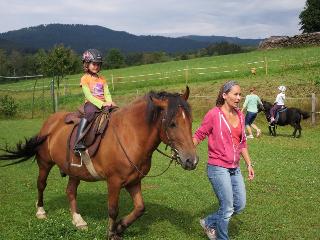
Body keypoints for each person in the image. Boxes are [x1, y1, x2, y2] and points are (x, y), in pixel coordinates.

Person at [193, 80, 255, 240]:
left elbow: (242, 143)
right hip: (217, 167)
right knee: (227, 208)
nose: (239, 97)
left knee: (239, 205)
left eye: (240, 94)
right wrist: (185, 148)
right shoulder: (214, 114)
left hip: (235, 168)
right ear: (224, 95)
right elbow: (199, 134)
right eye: (236, 94)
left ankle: (208, 222)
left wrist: (248, 164)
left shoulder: (240, 115)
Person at [74, 49, 116, 152]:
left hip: (104, 103)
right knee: (90, 113)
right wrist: (102, 104)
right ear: (86, 64)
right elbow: (88, 95)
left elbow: (106, 93)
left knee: (116, 111)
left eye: (98, 64)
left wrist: (110, 102)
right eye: (94, 64)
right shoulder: (85, 78)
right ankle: (78, 141)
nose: (96, 66)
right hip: (91, 104)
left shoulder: (102, 79)